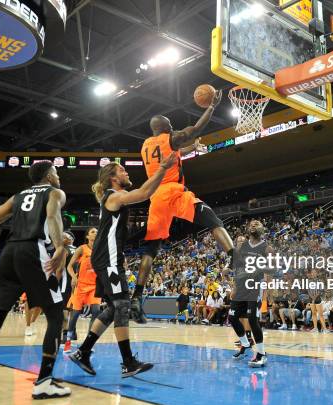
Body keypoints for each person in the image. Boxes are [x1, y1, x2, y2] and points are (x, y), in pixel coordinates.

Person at [0, 161, 71, 403]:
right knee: (55, 314)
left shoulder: (18, 196)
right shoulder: (55, 192)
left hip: (8, 254)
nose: (59, 177)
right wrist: (60, 245)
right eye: (57, 173)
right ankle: (44, 383)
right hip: (32, 251)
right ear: (49, 175)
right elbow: (52, 216)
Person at [69, 152, 177, 378]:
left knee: (112, 308)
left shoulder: (112, 197)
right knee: (122, 306)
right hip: (107, 259)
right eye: (122, 170)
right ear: (113, 178)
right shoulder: (113, 196)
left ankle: (83, 352)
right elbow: (145, 192)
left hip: (108, 258)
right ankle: (128, 362)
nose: (127, 173)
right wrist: (163, 168)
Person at [131, 90, 235, 323]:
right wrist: (211, 107)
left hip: (156, 197)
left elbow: (175, 152)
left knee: (150, 250)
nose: (172, 124)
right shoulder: (170, 137)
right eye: (169, 123)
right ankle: (235, 259)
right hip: (174, 193)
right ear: (164, 126)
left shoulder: (146, 145)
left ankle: (136, 297)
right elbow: (195, 129)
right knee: (213, 221)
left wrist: (192, 149)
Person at [229, 220, 271, 367]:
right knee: (232, 317)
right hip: (241, 287)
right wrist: (234, 285)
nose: (253, 225)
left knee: (252, 319)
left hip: (255, 286)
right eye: (251, 224)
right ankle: (245, 344)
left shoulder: (266, 247)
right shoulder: (243, 246)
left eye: (257, 224)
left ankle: (261, 354)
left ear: (262, 229)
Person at [64, 228, 101, 353]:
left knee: (96, 311)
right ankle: (68, 341)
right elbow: (69, 266)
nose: (95, 233)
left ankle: (88, 343)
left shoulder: (101, 249)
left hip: (94, 286)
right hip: (81, 285)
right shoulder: (81, 248)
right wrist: (74, 277)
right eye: (92, 231)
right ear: (87, 236)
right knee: (75, 314)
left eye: (96, 231)